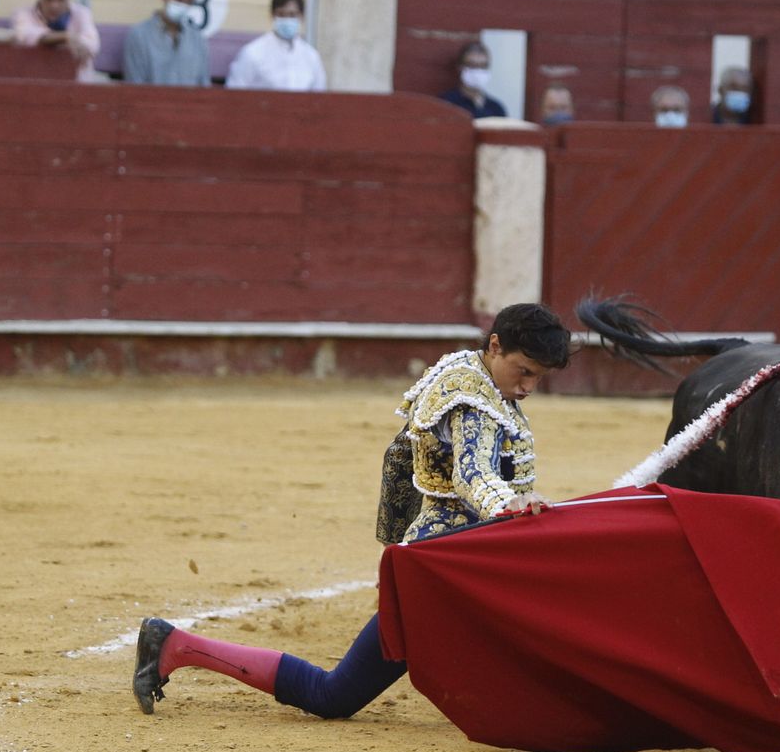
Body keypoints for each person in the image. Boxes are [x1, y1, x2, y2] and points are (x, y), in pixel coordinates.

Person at [131, 303, 572, 720]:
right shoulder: (470, 399)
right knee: (334, 695)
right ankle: (176, 645)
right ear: (495, 346)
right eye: (525, 371)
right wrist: (505, 503)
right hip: (441, 570)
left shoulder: (477, 376)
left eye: (539, 377)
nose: (528, 386)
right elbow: (471, 471)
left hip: (458, 560)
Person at [225, 0, 326, 91]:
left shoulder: (311, 56)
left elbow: (318, 96)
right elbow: (235, 92)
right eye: (281, 14)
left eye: (292, 15)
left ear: (301, 16)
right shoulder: (253, 52)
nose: (287, 19)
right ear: (272, 15)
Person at [122, 0, 210, 87]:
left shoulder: (198, 39)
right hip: (150, 104)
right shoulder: (139, 36)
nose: (184, 5)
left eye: (189, 2)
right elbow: (134, 84)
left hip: (189, 105)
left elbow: (204, 85)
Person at [12, 0, 100, 82]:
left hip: (77, 88)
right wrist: (65, 36)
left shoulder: (82, 14)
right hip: (35, 86)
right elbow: (24, 36)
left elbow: (92, 45)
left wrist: (66, 39)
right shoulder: (23, 14)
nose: (54, 6)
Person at [438, 40, 507, 118]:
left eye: (483, 66)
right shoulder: (446, 103)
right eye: (472, 65)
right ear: (460, 67)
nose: (478, 71)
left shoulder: (496, 108)